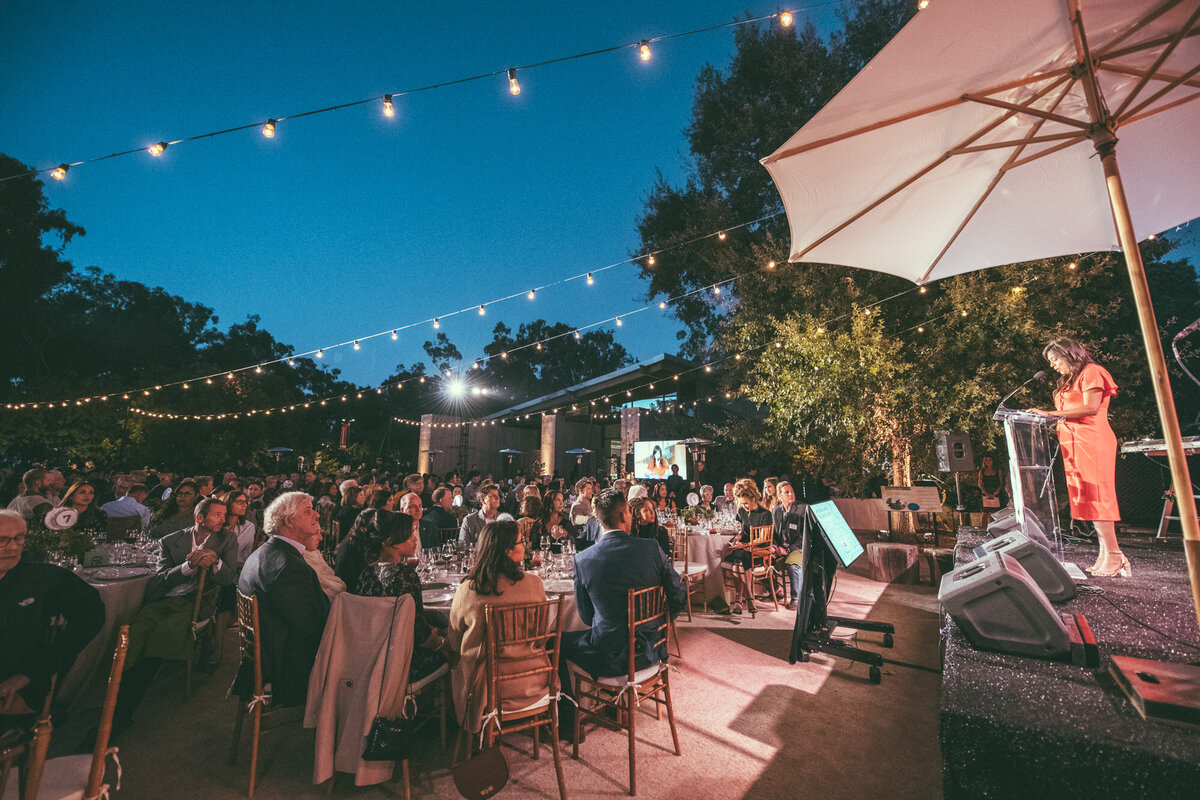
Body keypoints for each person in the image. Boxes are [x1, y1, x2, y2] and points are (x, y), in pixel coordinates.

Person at [562, 490, 686, 683]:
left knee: (555, 643)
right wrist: (664, 622)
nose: (630, 515)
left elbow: (586, 616)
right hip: (651, 649)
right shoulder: (651, 548)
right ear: (622, 516)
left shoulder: (583, 560)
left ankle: (569, 710)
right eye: (629, 511)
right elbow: (677, 593)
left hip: (609, 656)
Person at [0, 511, 104, 734]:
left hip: (20, 681)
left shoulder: (38, 578)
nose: (13, 547)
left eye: (19, 538)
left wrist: (36, 670)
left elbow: (92, 613)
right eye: (2, 540)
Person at [1032, 337, 1125, 576]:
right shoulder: (1070, 380)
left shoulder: (1092, 371)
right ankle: (1106, 552)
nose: (1052, 365)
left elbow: (1091, 408)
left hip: (1092, 441)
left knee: (1098, 496)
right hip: (1074, 444)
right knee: (1088, 498)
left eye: (1054, 359)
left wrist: (1050, 413)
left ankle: (1114, 554)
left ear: (1069, 354)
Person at [448, 520, 549, 734]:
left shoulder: (468, 589)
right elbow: (542, 636)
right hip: (533, 678)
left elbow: (454, 642)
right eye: (522, 541)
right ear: (508, 551)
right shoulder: (535, 585)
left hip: (487, 687)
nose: (526, 544)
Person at [236, 492, 331, 706]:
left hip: (269, 655)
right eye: (308, 511)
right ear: (289, 521)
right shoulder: (288, 566)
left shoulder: (266, 552)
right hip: (286, 669)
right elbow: (315, 627)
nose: (316, 514)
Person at [350, 510, 449, 682]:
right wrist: (444, 644)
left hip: (370, 658)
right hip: (403, 662)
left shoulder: (366, 573)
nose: (415, 539)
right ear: (390, 541)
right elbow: (419, 633)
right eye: (409, 535)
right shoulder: (404, 575)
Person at [722, 478, 774, 614]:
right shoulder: (741, 511)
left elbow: (763, 539)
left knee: (738, 561)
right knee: (739, 557)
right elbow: (740, 531)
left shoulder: (765, 514)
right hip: (743, 549)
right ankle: (749, 598)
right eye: (742, 503)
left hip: (758, 552)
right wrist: (738, 537)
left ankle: (740, 599)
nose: (744, 506)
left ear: (753, 497)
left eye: (746, 503)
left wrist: (745, 544)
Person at [772, 482, 805, 611]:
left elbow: (803, 536)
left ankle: (796, 598)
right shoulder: (776, 511)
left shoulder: (803, 509)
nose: (791, 494)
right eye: (787, 492)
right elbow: (774, 533)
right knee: (759, 562)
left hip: (798, 548)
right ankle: (775, 590)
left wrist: (787, 550)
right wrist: (774, 547)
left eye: (792, 491)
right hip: (780, 548)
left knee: (792, 566)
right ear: (780, 495)